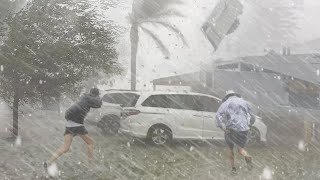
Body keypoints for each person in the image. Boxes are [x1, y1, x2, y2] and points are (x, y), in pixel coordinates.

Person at [44, 88, 102, 172]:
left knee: (65, 147)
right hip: (77, 125)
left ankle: (48, 162)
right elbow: (99, 104)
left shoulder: (84, 97)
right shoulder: (89, 99)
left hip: (70, 124)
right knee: (90, 143)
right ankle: (91, 167)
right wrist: (99, 97)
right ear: (96, 94)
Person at [216, 90, 255, 175]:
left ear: (227, 96)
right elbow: (252, 115)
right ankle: (246, 156)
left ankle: (233, 169)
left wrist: (222, 127)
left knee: (230, 149)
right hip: (243, 129)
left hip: (231, 129)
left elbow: (218, 115)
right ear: (235, 95)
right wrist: (249, 124)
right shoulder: (245, 102)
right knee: (240, 149)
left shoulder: (226, 103)